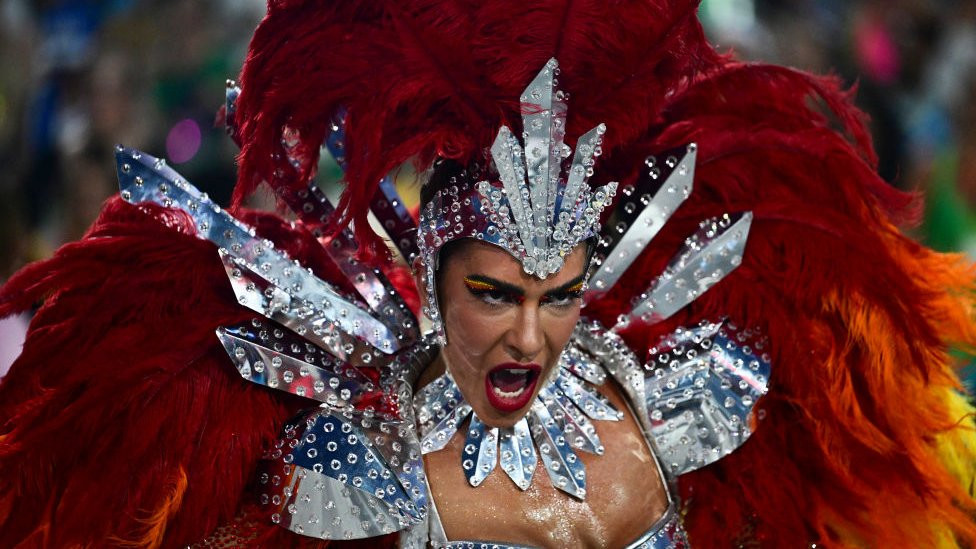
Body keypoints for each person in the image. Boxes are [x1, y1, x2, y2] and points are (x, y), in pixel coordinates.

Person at [1, 1, 974, 548]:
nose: (528, 338)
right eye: (494, 295)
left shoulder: (678, 412)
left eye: (559, 298)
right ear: (432, 274)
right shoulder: (339, 452)